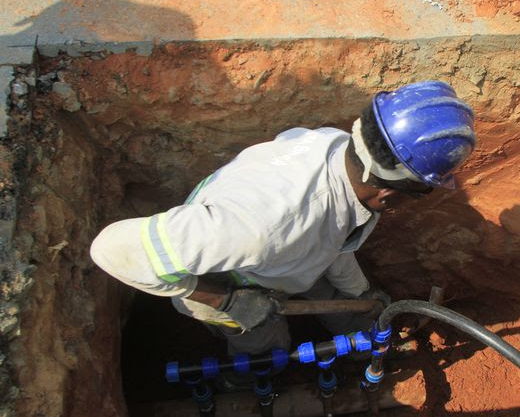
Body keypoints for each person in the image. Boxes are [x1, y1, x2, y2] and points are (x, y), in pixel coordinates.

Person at [90, 81, 476, 356]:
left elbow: (334, 239)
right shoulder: (262, 226)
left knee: (356, 308)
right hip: (225, 279)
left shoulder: (338, 150)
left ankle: (362, 337)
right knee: (267, 344)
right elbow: (113, 248)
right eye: (424, 191)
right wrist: (224, 301)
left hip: (287, 259)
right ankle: (250, 376)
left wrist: (360, 295)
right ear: (388, 193)